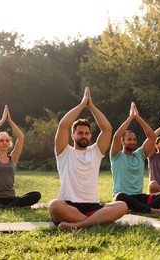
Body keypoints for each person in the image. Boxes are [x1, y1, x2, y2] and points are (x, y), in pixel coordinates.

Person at [48, 87, 128, 229]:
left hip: (92, 207)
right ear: (73, 135)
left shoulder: (95, 151)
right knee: (54, 206)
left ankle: (79, 225)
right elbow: (63, 126)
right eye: (79, 133)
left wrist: (91, 106)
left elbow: (107, 129)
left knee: (122, 205)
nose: (83, 136)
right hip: (69, 206)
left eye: (86, 133)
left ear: (90, 136)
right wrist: (82, 104)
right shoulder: (64, 152)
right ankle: (93, 222)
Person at [111, 102, 160, 214]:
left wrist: (138, 117)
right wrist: (130, 117)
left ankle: (140, 209)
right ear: (122, 141)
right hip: (123, 199)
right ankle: (152, 210)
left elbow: (152, 136)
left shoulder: (140, 154)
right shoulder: (116, 155)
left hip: (140, 197)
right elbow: (117, 136)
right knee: (120, 196)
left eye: (134, 139)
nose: (133, 142)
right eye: (129, 139)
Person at [0, 105, 41, 209]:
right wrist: (2, 120)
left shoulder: (13, 158)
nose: (5, 142)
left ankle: (3, 207)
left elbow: (21, 137)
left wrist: (10, 120)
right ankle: (11, 207)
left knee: (36, 195)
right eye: (1, 140)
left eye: (7, 140)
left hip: (11, 198)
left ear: (10, 143)